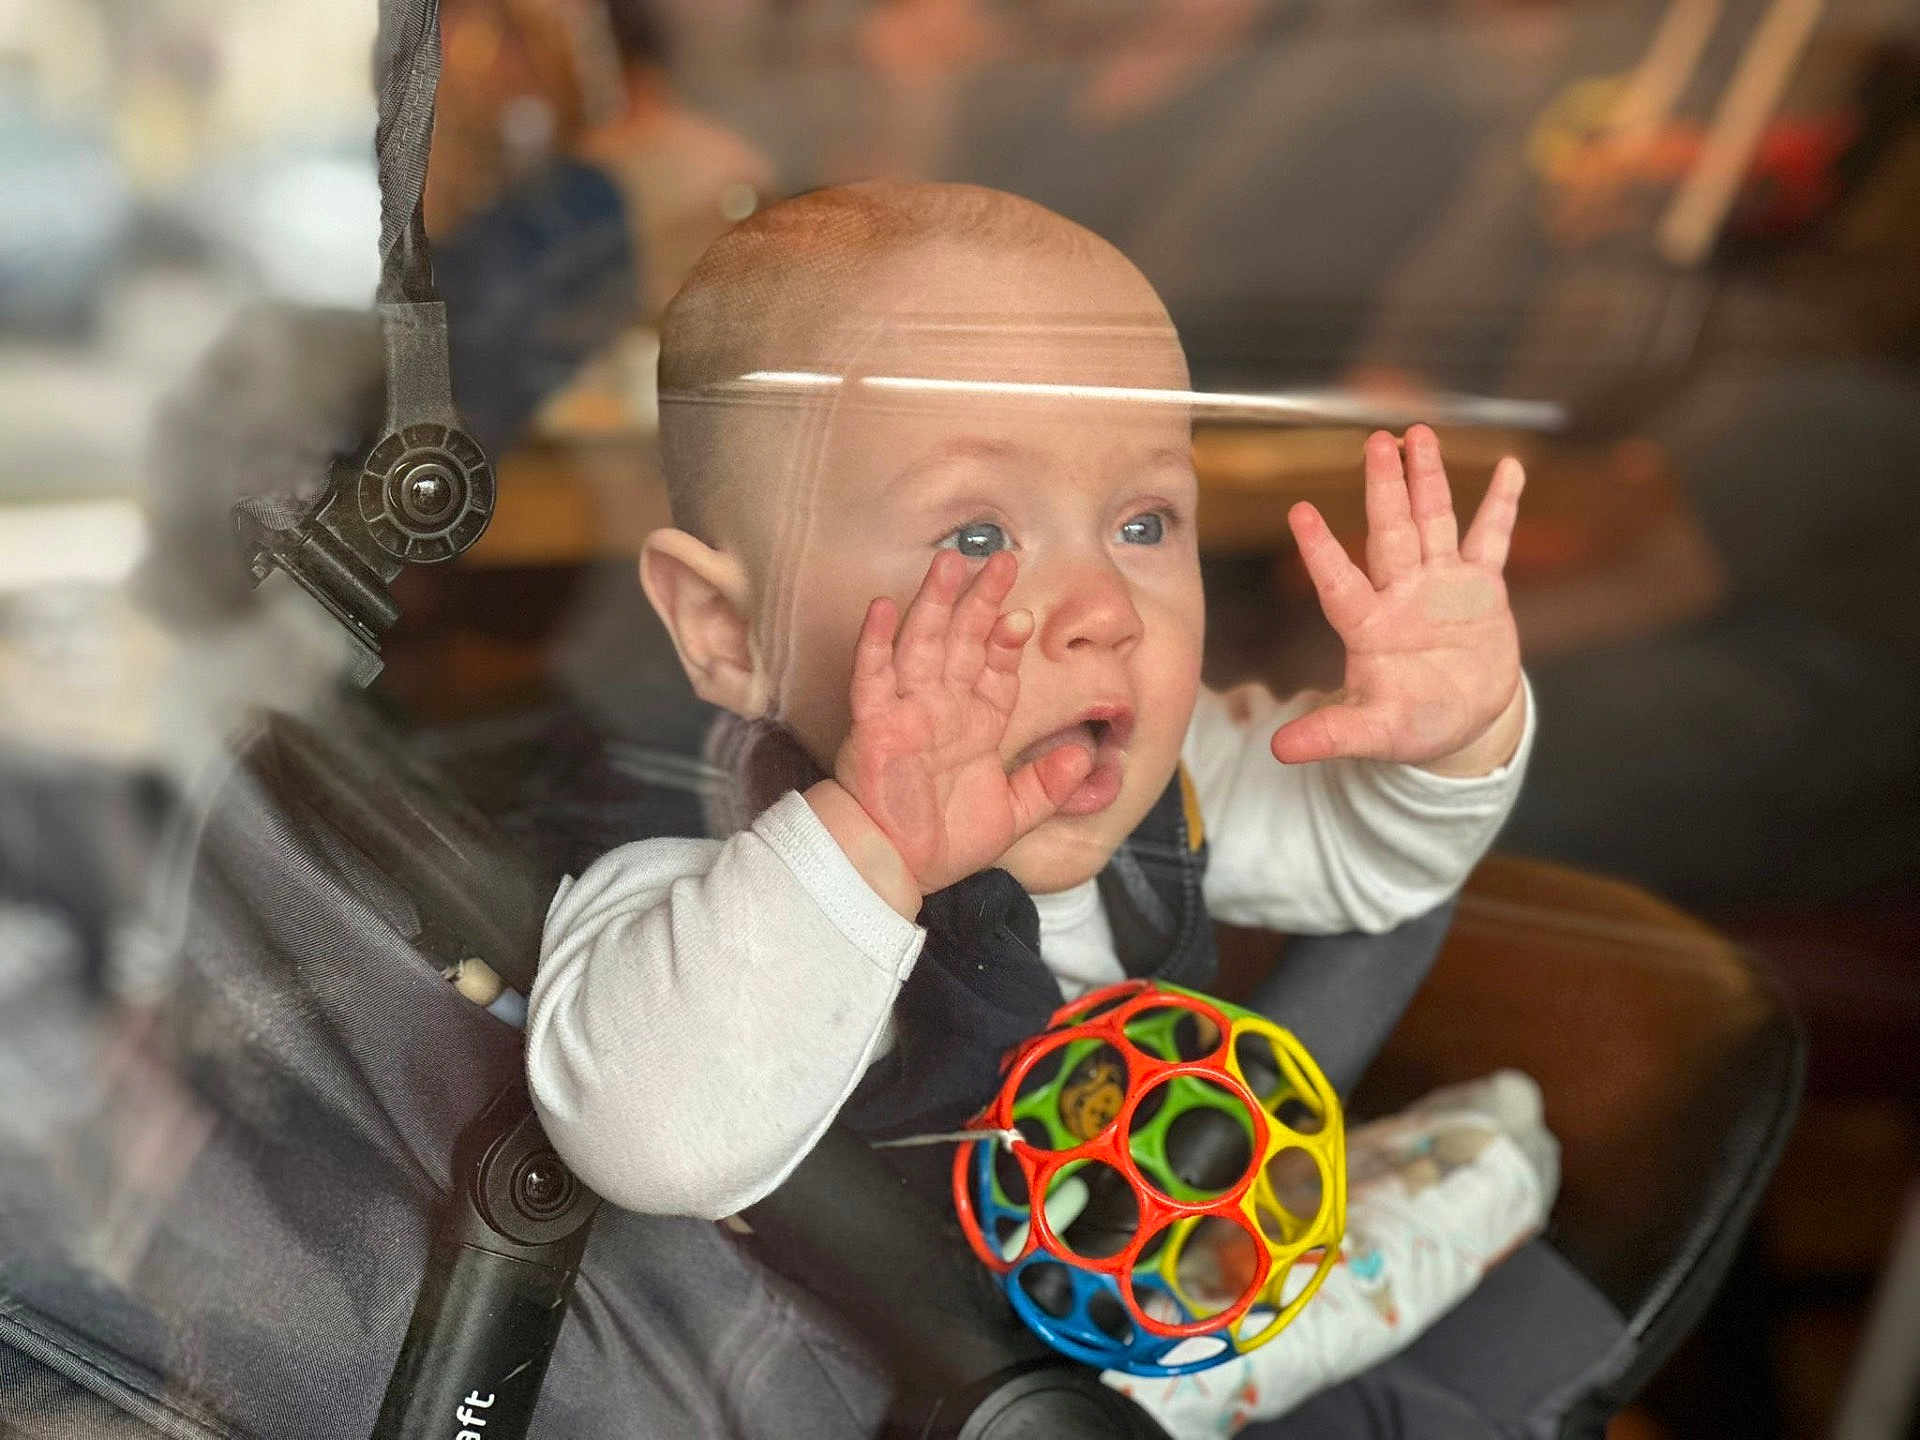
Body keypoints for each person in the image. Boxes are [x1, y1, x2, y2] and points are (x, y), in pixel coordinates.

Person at [523, 180, 1551, 1429]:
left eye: (1141, 520)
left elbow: (1367, 866)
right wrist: (869, 846)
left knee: (1496, 1156)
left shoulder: (1170, 783)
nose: (1103, 607)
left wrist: (1451, 737)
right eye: (972, 536)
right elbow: (652, 1141)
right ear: (731, 632)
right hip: (885, 1392)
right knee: (1470, 1192)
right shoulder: (682, 872)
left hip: (1118, 1252)